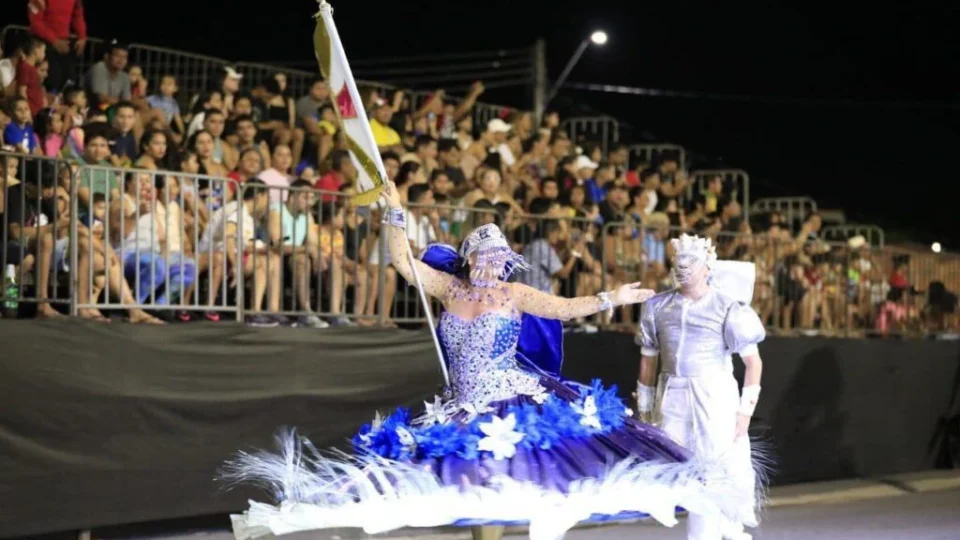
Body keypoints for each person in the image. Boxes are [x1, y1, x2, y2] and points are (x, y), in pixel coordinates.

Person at [223, 180, 751, 540]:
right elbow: (400, 259)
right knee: (468, 487)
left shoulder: (514, 294)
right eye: (487, 257)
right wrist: (395, 211)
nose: (494, 266)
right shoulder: (447, 288)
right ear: (470, 258)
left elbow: (565, 307)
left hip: (508, 400)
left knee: (510, 482)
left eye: (502, 259)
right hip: (461, 404)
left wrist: (612, 297)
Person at [635, 234, 769, 540]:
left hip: (714, 396)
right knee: (679, 471)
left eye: (690, 263)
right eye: (678, 262)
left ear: (707, 267)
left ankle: (718, 531)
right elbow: (648, 361)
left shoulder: (727, 307)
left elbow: (753, 363)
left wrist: (744, 413)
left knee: (715, 470)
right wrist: (645, 406)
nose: (682, 268)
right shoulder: (657, 306)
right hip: (672, 396)